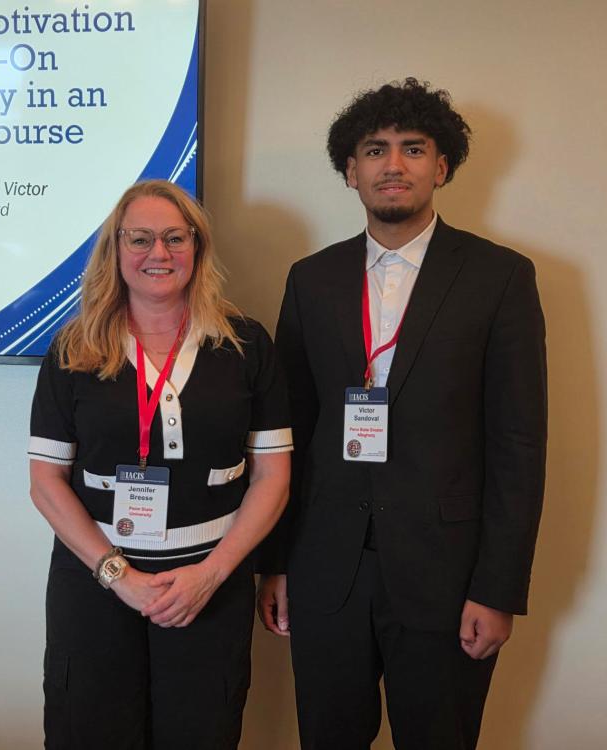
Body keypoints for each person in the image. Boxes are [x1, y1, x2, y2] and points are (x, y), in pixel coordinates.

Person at [256, 78, 547, 750]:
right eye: (375, 150)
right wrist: (275, 565)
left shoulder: (500, 278)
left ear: (441, 167)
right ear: (350, 170)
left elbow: (518, 444)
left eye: (413, 149)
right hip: (325, 572)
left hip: (448, 580)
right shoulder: (311, 278)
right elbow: (285, 433)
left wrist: (498, 588)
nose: (394, 164)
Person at [29, 179, 292, 749]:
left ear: (197, 248)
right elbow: (46, 482)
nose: (159, 253)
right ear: (115, 250)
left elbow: (273, 477)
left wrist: (211, 576)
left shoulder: (246, 345)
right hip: (95, 584)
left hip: (208, 582)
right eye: (141, 238)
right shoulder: (73, 348)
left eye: (176, 238)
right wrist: (120, 577)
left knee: (201, 733)